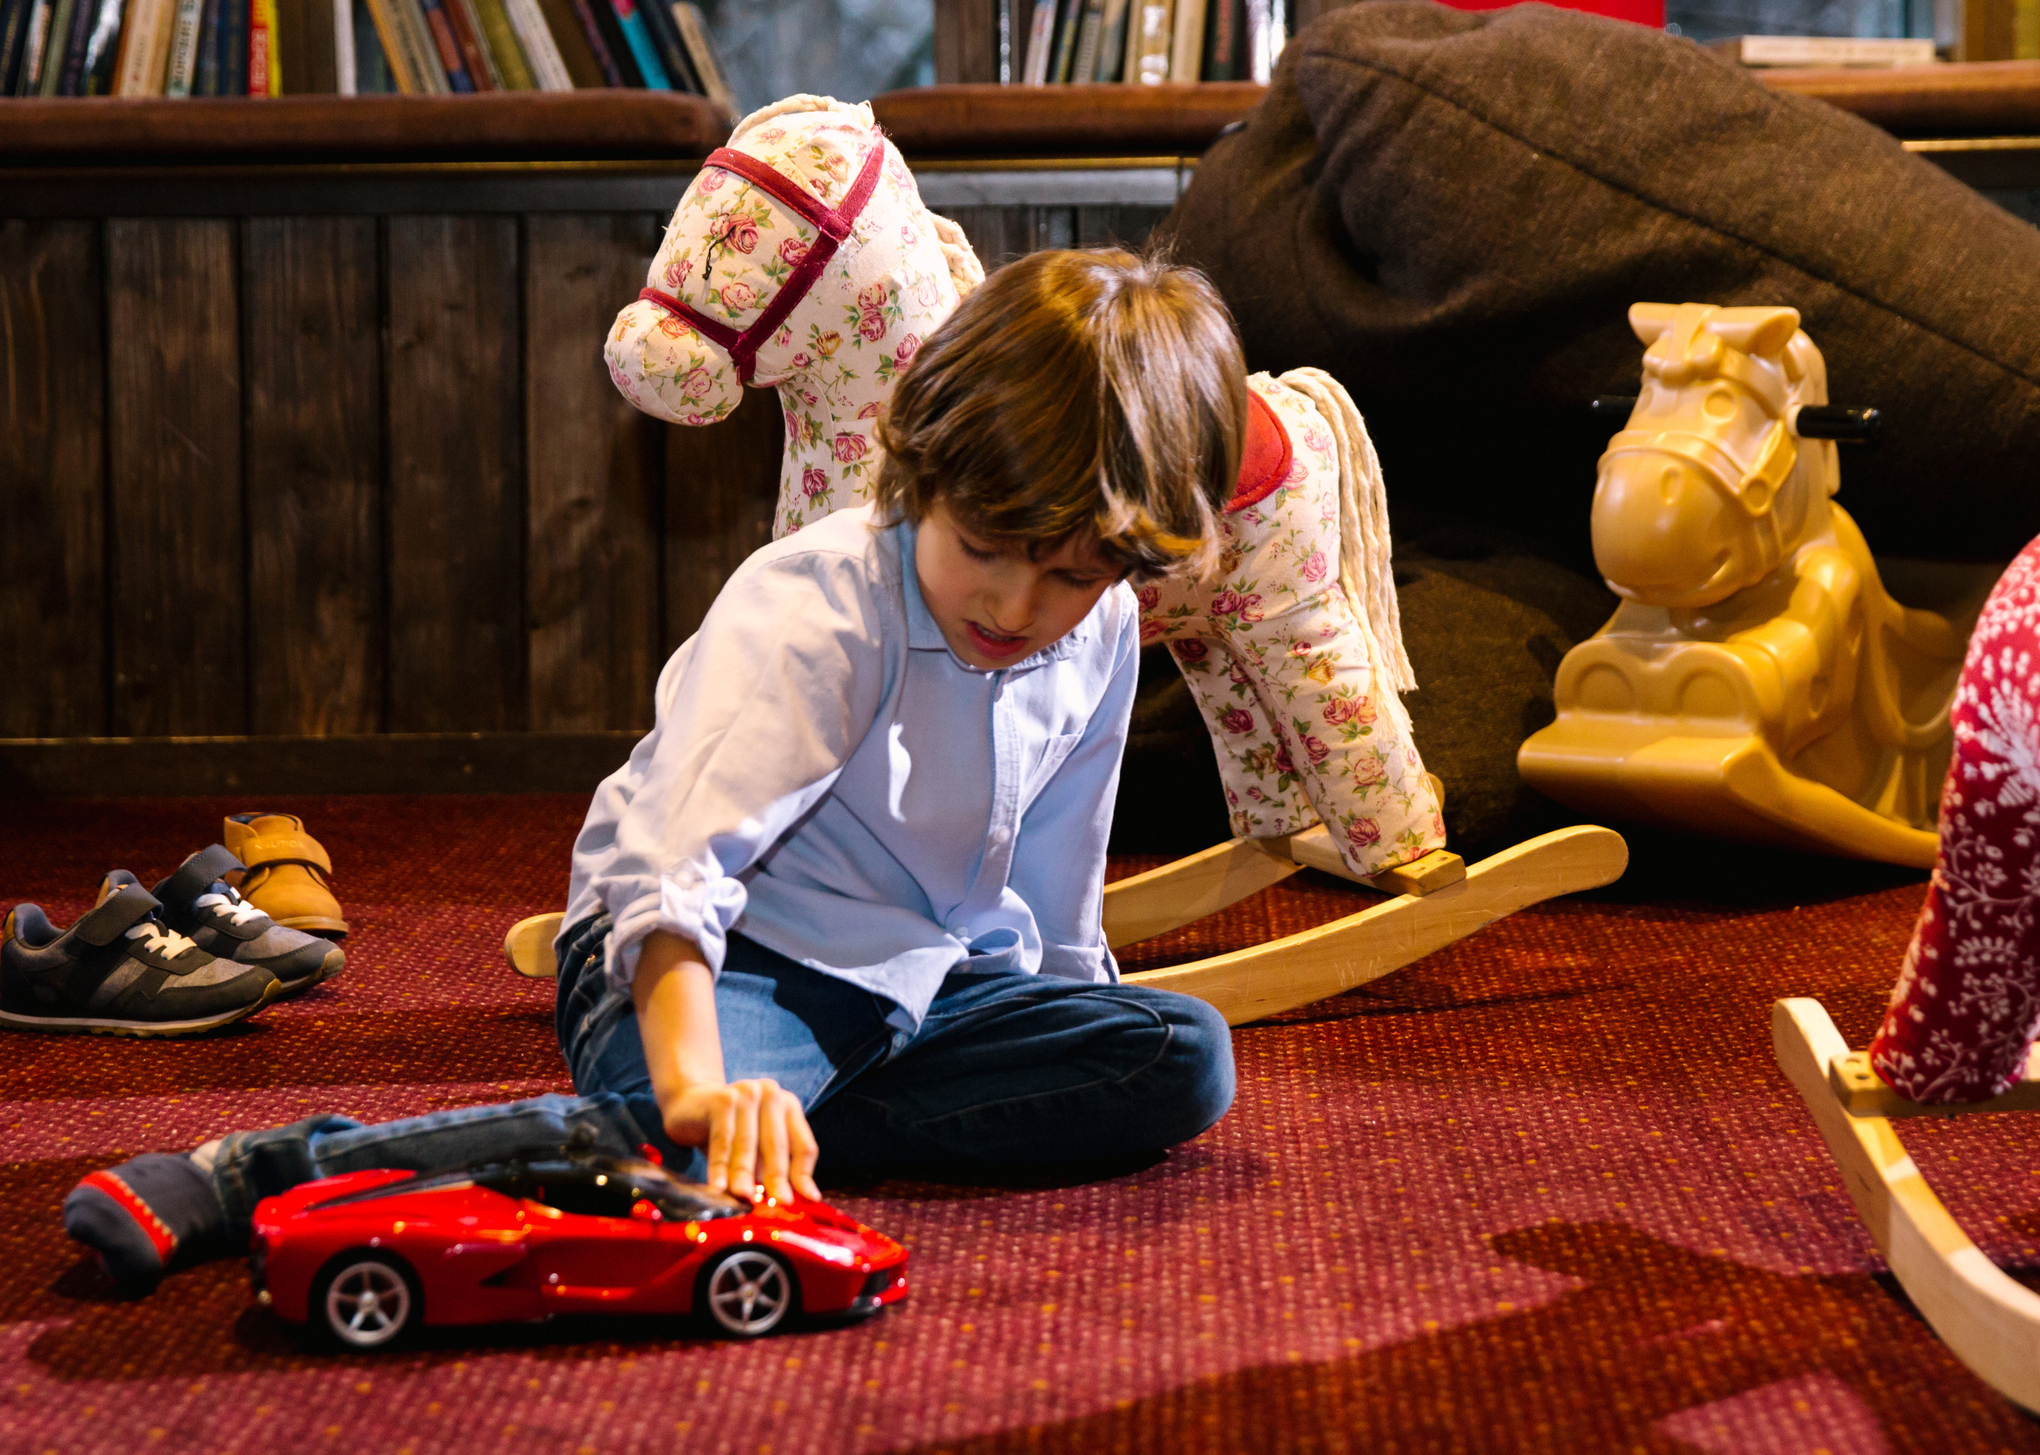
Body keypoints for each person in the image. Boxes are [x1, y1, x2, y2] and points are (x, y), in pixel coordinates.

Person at [63, 248, 1243, 1294]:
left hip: (919, 983)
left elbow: (1053, 884)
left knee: (1178, 1059)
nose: (1016, 606)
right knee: (673, 1148)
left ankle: (777, 1123)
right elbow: (679, 873)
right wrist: (692, 1087)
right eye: (983, 549)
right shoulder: (820, 606)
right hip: (723, 957)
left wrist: (1070, 1016)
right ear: (919, 469)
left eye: (1071, 578)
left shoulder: (1099, 631)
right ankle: (260, 1175)